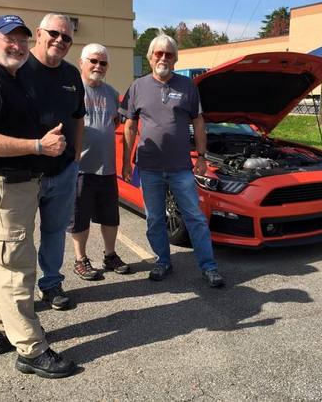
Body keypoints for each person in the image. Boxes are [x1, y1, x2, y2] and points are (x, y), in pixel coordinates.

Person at [0, 14, 75, 378]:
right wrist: (38, 146)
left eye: (22, 40)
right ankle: (31, 349)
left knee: (4, 262)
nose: (18, 45)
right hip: (2, 187)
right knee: (15, 270)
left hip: (21, 186)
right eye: (10, 38)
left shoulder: (13, 78)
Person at [121, 33, 224, 288]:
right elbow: (130, 126)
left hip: (181, 168)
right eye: (159, 53)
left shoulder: (187, 86)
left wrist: (202, 156)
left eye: (169, 54)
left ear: (175, 59)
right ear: (150, 57)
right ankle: (163, 261)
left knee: (194, 217)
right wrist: (125, 162)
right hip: (149, 167)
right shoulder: (137, 87)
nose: (163, 58)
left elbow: (198, 122)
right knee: (155, 218)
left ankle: (208, 267)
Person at [18, 13, 85, 310]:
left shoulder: (71, 75)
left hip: (63, 171)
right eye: (54, 34)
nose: (60, 40)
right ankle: (18, 295)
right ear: (38, 33)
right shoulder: (18, 69)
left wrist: (76, 156)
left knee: (55, 231)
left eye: (67, 37)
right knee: (18, 238)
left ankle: (51, 284)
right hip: (25, 173)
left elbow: (78, 117)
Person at [68, 43, 130, 280]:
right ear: (81, 63)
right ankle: (80, 259)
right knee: (79, 218)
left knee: (110, 217)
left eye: (103, 63)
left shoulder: (112, 93)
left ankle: (110, 255)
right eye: (93, 61)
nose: (98, 66)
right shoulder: (73, 90)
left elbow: (117, 123)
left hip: (107, 168)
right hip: (80, 168)